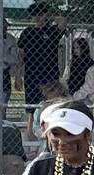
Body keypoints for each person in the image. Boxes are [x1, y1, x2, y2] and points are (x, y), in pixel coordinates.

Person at [17, 3, 66, 133]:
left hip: (49, 72)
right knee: (31, 101)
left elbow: (63, 21)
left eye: (40, 14)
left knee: (51, 100)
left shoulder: (52, 31)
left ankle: (50, 126)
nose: (37, 18)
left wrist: (49, 18)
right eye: (34, 15)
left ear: (45, 14)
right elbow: (21, 56)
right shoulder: (27, 32)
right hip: (32, 72)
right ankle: (29, 130)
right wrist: (17, 76)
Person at [64, 37, 94, 104]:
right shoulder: (71, 63)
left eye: (77, 48)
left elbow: (90, 84)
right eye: (74, 48)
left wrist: (78, 95)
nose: (75, 50)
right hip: (70, 96)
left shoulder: (90, 64)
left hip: (86, 97)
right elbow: (66, 78)